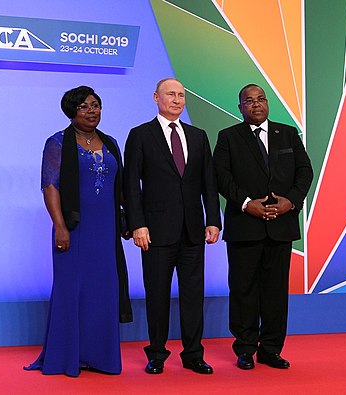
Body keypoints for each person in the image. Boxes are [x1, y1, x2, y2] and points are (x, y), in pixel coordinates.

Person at [25, 86, 132, 377]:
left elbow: (119, 188)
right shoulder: (57, 143)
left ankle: (99, 356)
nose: (91, 111)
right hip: (73, 229)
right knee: (72, 291)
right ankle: (66, 356)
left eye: (95, 105)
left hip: (105, 230)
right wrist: (59, 226)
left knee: (104, 292)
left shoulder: (110, 143)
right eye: (84, 107)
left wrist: (130, 220)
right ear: (71, 111)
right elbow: (50, 186)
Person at [123, 78, 221, 375]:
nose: (177, 100)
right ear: (156, 97)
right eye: (170, 94)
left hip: (193, 230)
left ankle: (193, 354)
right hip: (155, 231)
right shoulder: (140, 135)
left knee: (194, 296)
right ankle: (156, 354)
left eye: (181, 95)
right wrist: (137, 224)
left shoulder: (198, 135)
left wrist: (213, 220)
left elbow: (209, 183)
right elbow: (131, 185)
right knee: (157, 295)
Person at [213, 84, 313, 370]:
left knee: (275, 292)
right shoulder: (228, 137)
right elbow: (221, 175)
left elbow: (305, 170)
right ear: (240, 107)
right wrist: (246, 203)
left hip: (281, 226)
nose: (256, 105)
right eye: (249, 101)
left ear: (267, 104)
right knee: (243, 290)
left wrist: (291, 202)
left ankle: (271, 349)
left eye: (260, 100)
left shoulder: (288, 133)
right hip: (245, 226)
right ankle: (245, 349)